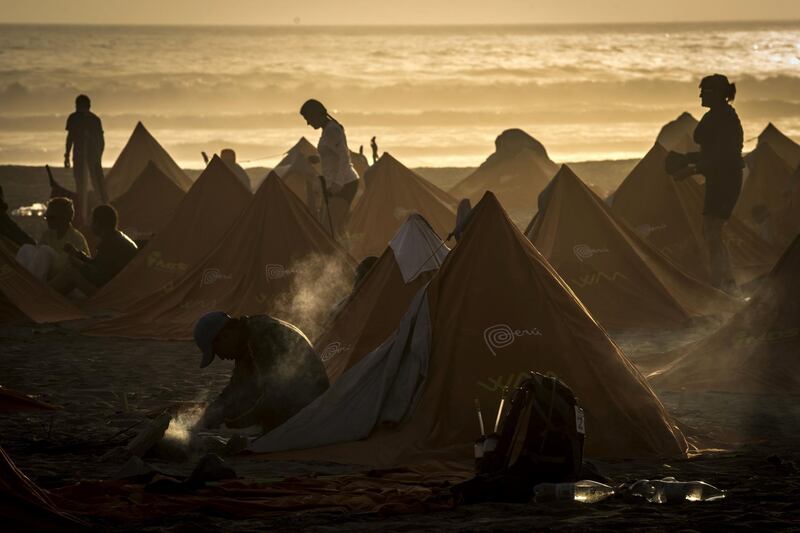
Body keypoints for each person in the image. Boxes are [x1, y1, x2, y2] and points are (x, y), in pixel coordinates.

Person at [667, 74, 744, 294]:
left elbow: (724, 159)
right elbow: (711, 153)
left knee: (712, 230)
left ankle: (721, 284)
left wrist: (692, 169)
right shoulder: (715, 116)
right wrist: (687, 159)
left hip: (726, 180)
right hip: (717, 179)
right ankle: (727, 282)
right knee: (712, 231)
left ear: (718, 94)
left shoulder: (727, 119)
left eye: (705, 91)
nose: (700, 94)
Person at [193, 312, 329, 431]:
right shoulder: (247, 336)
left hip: (311, 409)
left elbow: (273, 395)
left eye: (217, 351)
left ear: (225, 335)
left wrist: (234, 422)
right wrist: (210, 413)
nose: (221, 357)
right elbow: (236, 388)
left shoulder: (261, 335)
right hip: (306, 401)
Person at [300, 99, 360, 238]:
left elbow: (344, 157)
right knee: (335, 227)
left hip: (345, 184)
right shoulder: (327, 130)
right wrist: (318, 159)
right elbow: (332, 156)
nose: (308, 123)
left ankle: (340, 257)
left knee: (330, 227)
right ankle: (342, 255)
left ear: (315, 115)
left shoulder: (332, 130)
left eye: (308, 118)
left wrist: (338, 184)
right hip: (336, 184)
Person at [50, 204, 137, 296]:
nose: (90, 225)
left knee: (70, 273)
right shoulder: (116, 238)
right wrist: (78, 255)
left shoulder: (110, 244)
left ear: (98, 223)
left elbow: (99, 277)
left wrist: (79, 264)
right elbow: (99, 265)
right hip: (115, 288)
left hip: (110, 293)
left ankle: (43, 297)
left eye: (92, 221)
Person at [15, 197, 89, 281]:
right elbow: (37, 256)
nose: (47, 220)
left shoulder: (76, 238)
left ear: (64, 218)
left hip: (62, 278)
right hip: (46, 272)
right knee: (26, 248)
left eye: (51, 217)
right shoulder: (47, 235)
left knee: (45, 250)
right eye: (46, 217)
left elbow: (77, 266)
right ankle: (18, 281)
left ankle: (31, 283)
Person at [64, 94, 108, 221]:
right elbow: (70, 138)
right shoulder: (73, 118)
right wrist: (66, 155)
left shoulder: (95, 120)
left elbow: (101, 140)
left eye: (81, 106)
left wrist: (98, 156)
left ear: (87, 106)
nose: (79, 109)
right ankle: (82, 209)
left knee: (97, 182)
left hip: (93, 156)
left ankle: (102, 205)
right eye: (77, 106)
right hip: (78, 156)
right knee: (80, 183)